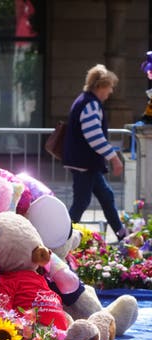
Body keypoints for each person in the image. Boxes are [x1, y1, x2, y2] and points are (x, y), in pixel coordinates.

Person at [62, 64, 127, 241]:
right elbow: (94, 137)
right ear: (100, 86)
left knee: (106, 196)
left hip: (87, 163)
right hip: (85, 163)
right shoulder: (90, 104)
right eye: (109, 86)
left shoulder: (85, 101)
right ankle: (61, 237)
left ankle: (122, 235)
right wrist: (114, 158)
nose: (111, 91)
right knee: (81, 202)